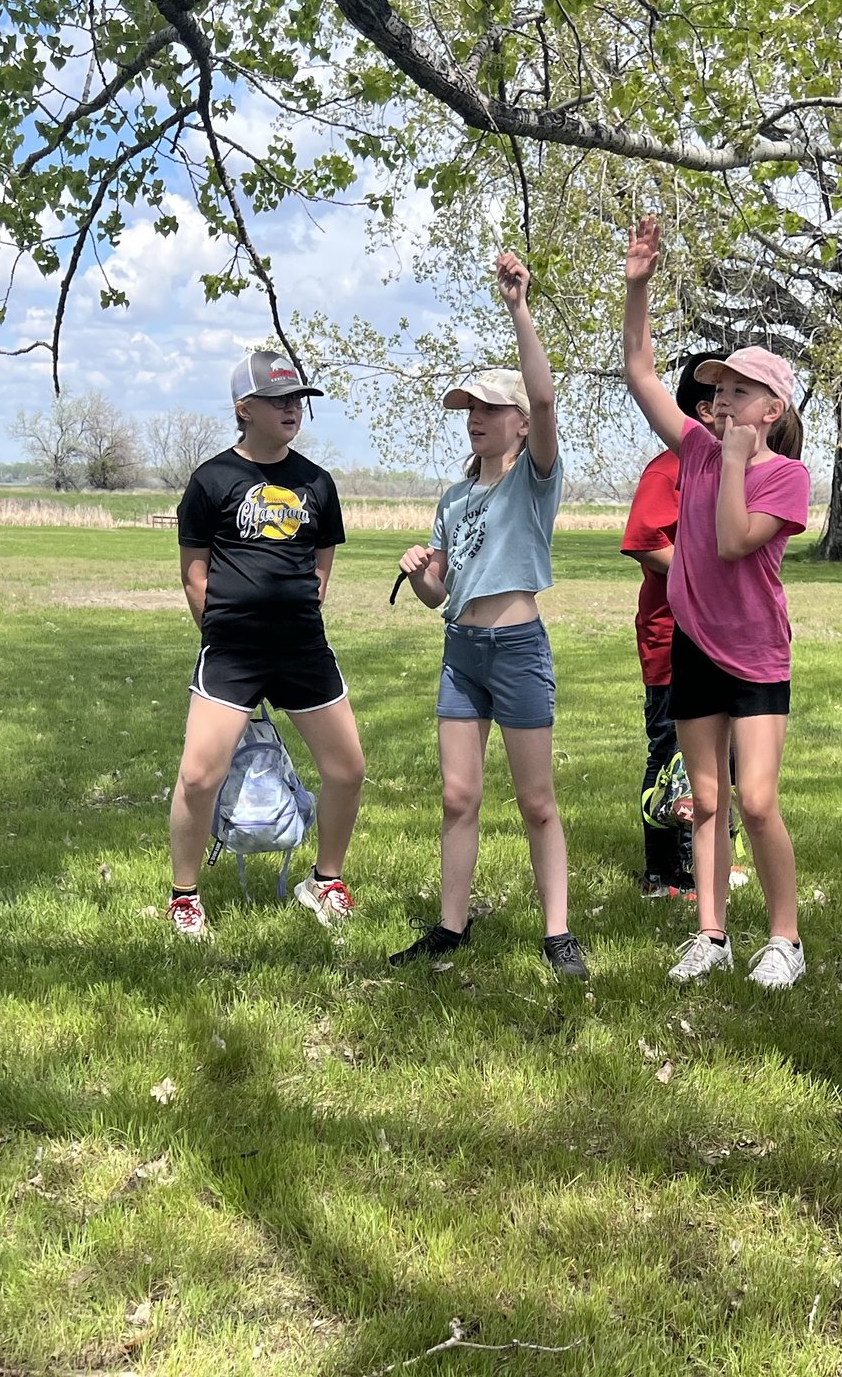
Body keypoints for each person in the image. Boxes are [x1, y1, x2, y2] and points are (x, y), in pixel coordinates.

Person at [621, 216, 815, 989]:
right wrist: (639, 287)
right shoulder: (697, 450)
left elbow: (735, 540)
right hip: (696, 648)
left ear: (772, 409)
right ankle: (711, 934)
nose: (719, 399)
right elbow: (640, 371)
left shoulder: (784, 478)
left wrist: (733, 459)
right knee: (705, 801)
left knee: (757, 800)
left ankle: (785, 940)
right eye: (715, 389)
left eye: (739, 390)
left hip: (758, 653)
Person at [391, 251, 584, 977]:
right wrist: (420, 576)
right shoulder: (453, 497)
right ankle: (450, 925)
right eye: (467, 409)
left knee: (536, 801)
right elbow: (443, 593)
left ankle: (558, 932)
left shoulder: (535, 479)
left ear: (517, 421)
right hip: (462, 654)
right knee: (457, 795)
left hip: (518, 651)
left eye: (486, 408)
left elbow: (547, 396)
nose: (473, 419)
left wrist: (518, 307)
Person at [165, 350, 367, 937]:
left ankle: (324, 880)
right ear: (243, 409)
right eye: (279, 399)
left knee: (347, 768)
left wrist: (296, 614)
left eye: (297, 400)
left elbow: (321, 568)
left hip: (303, 649)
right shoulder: (211, 481)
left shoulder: (316, 483)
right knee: (200, 776)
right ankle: (185, 895)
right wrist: (224, 630)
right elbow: (192, 574)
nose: (292, 409)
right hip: (232, 652)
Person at [622, 354, 725, 899]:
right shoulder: (669, 468)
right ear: (704, 411)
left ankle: (705, 864)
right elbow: (643, 539)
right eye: (726, 397)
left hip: (721, 644)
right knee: (669, 755)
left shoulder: (732, 472)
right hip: (670, 640)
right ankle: (663, 872)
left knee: (715, 756)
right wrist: (698, 571)